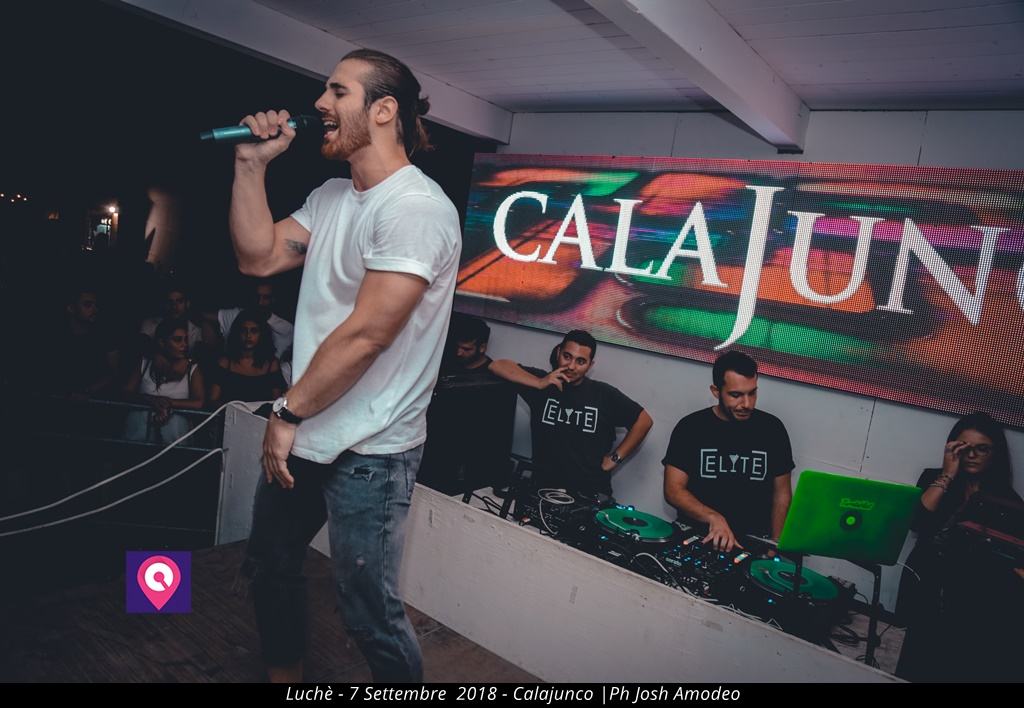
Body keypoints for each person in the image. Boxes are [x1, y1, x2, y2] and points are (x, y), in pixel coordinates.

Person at [231, 49, 461, 683]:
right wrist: (250, 165)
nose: (319, 104)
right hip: (308, 427)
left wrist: (286, 413)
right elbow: (257, 257)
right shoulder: (332, 196)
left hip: (373, 448)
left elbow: (367, 335)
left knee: (367, 613)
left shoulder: (415, 208)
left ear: (383, 110)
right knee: (271, 566)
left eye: (337, 92)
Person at [895, 412, 1022, 682]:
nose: (972, 455)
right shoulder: (933, 478)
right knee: (916, 656)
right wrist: (948, 474)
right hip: (926, 578)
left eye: (982, 449)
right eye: (965, 448)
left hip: (971, 593)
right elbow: (917, 521)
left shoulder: (1007, 500)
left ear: (995, 454)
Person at [489, 330, 653, 499]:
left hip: (590, 493)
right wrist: (539, 383)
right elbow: (497, 365)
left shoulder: (603, 394)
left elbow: (644, 421)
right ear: (558, 353)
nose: (571, 366)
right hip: (543, 489)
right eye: (567, 356)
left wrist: (614, 459)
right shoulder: (543, 383)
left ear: (590, 365)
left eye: (581, 361)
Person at [662, 350, 794, 551]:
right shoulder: (690, 428)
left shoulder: (772, 429)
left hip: (753, 544)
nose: (747, 404)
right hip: (700, 537)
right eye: (736, 395)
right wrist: (713, 517)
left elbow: (781, 494)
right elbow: (673, 490)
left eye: (752, 393)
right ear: (716, 391)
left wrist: (774, 545)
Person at [122, 318, 206, 443]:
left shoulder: (192, 368)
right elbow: (125, 393)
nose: (184, 344)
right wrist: (151, 400)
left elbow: (199, 402)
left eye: (186, 340)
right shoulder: (145, 363)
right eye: (177, 340)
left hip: (176, 441)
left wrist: (168, 402)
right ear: (162, 342)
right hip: (137, 437)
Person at [208, 308, 285, 404]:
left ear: (262, 334)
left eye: (254, 331)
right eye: (244, 330)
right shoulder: (225, 362)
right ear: (237, 333)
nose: (248, 335)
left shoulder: (271, 364)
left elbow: (276, 403)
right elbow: (213, 400)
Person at [211, 279, 294, 359]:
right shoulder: (236, 315)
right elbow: (207, 316)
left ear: (273, 299)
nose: (260, 302)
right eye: (257, 297)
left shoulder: (287, 329)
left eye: (266, 297)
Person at [139, 281, 203, 353]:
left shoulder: (196, 330)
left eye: (179, 301)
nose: (174, 306)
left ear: (187, 304)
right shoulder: (149, 324)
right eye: (170, 301)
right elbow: (142, 347)